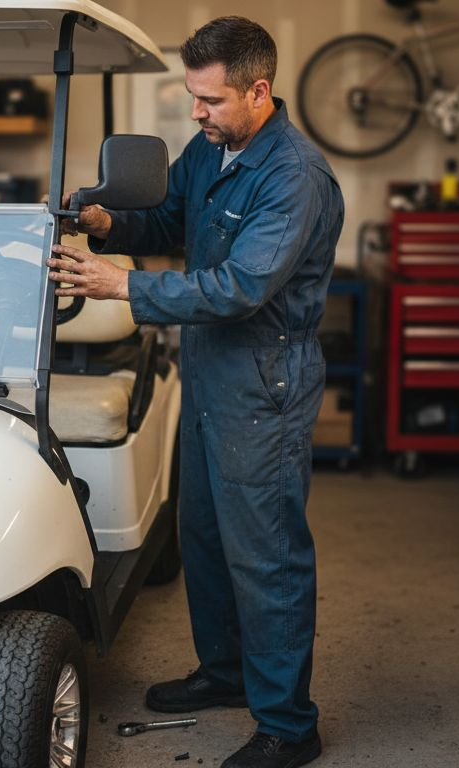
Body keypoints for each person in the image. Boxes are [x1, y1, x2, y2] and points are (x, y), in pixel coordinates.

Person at [47, 16, 343, 768]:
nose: (197, 114)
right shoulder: (213, 149)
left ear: (258, 90)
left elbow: (242, 288)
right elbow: (172, 217)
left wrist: (123, 286)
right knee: (206, 537)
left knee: (266, 554)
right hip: (210, 365)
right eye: (192, 98)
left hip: (263, 381)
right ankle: (224, 674)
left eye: (209, 100)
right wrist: (110, 223)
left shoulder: (294, 176)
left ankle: (288, 724)